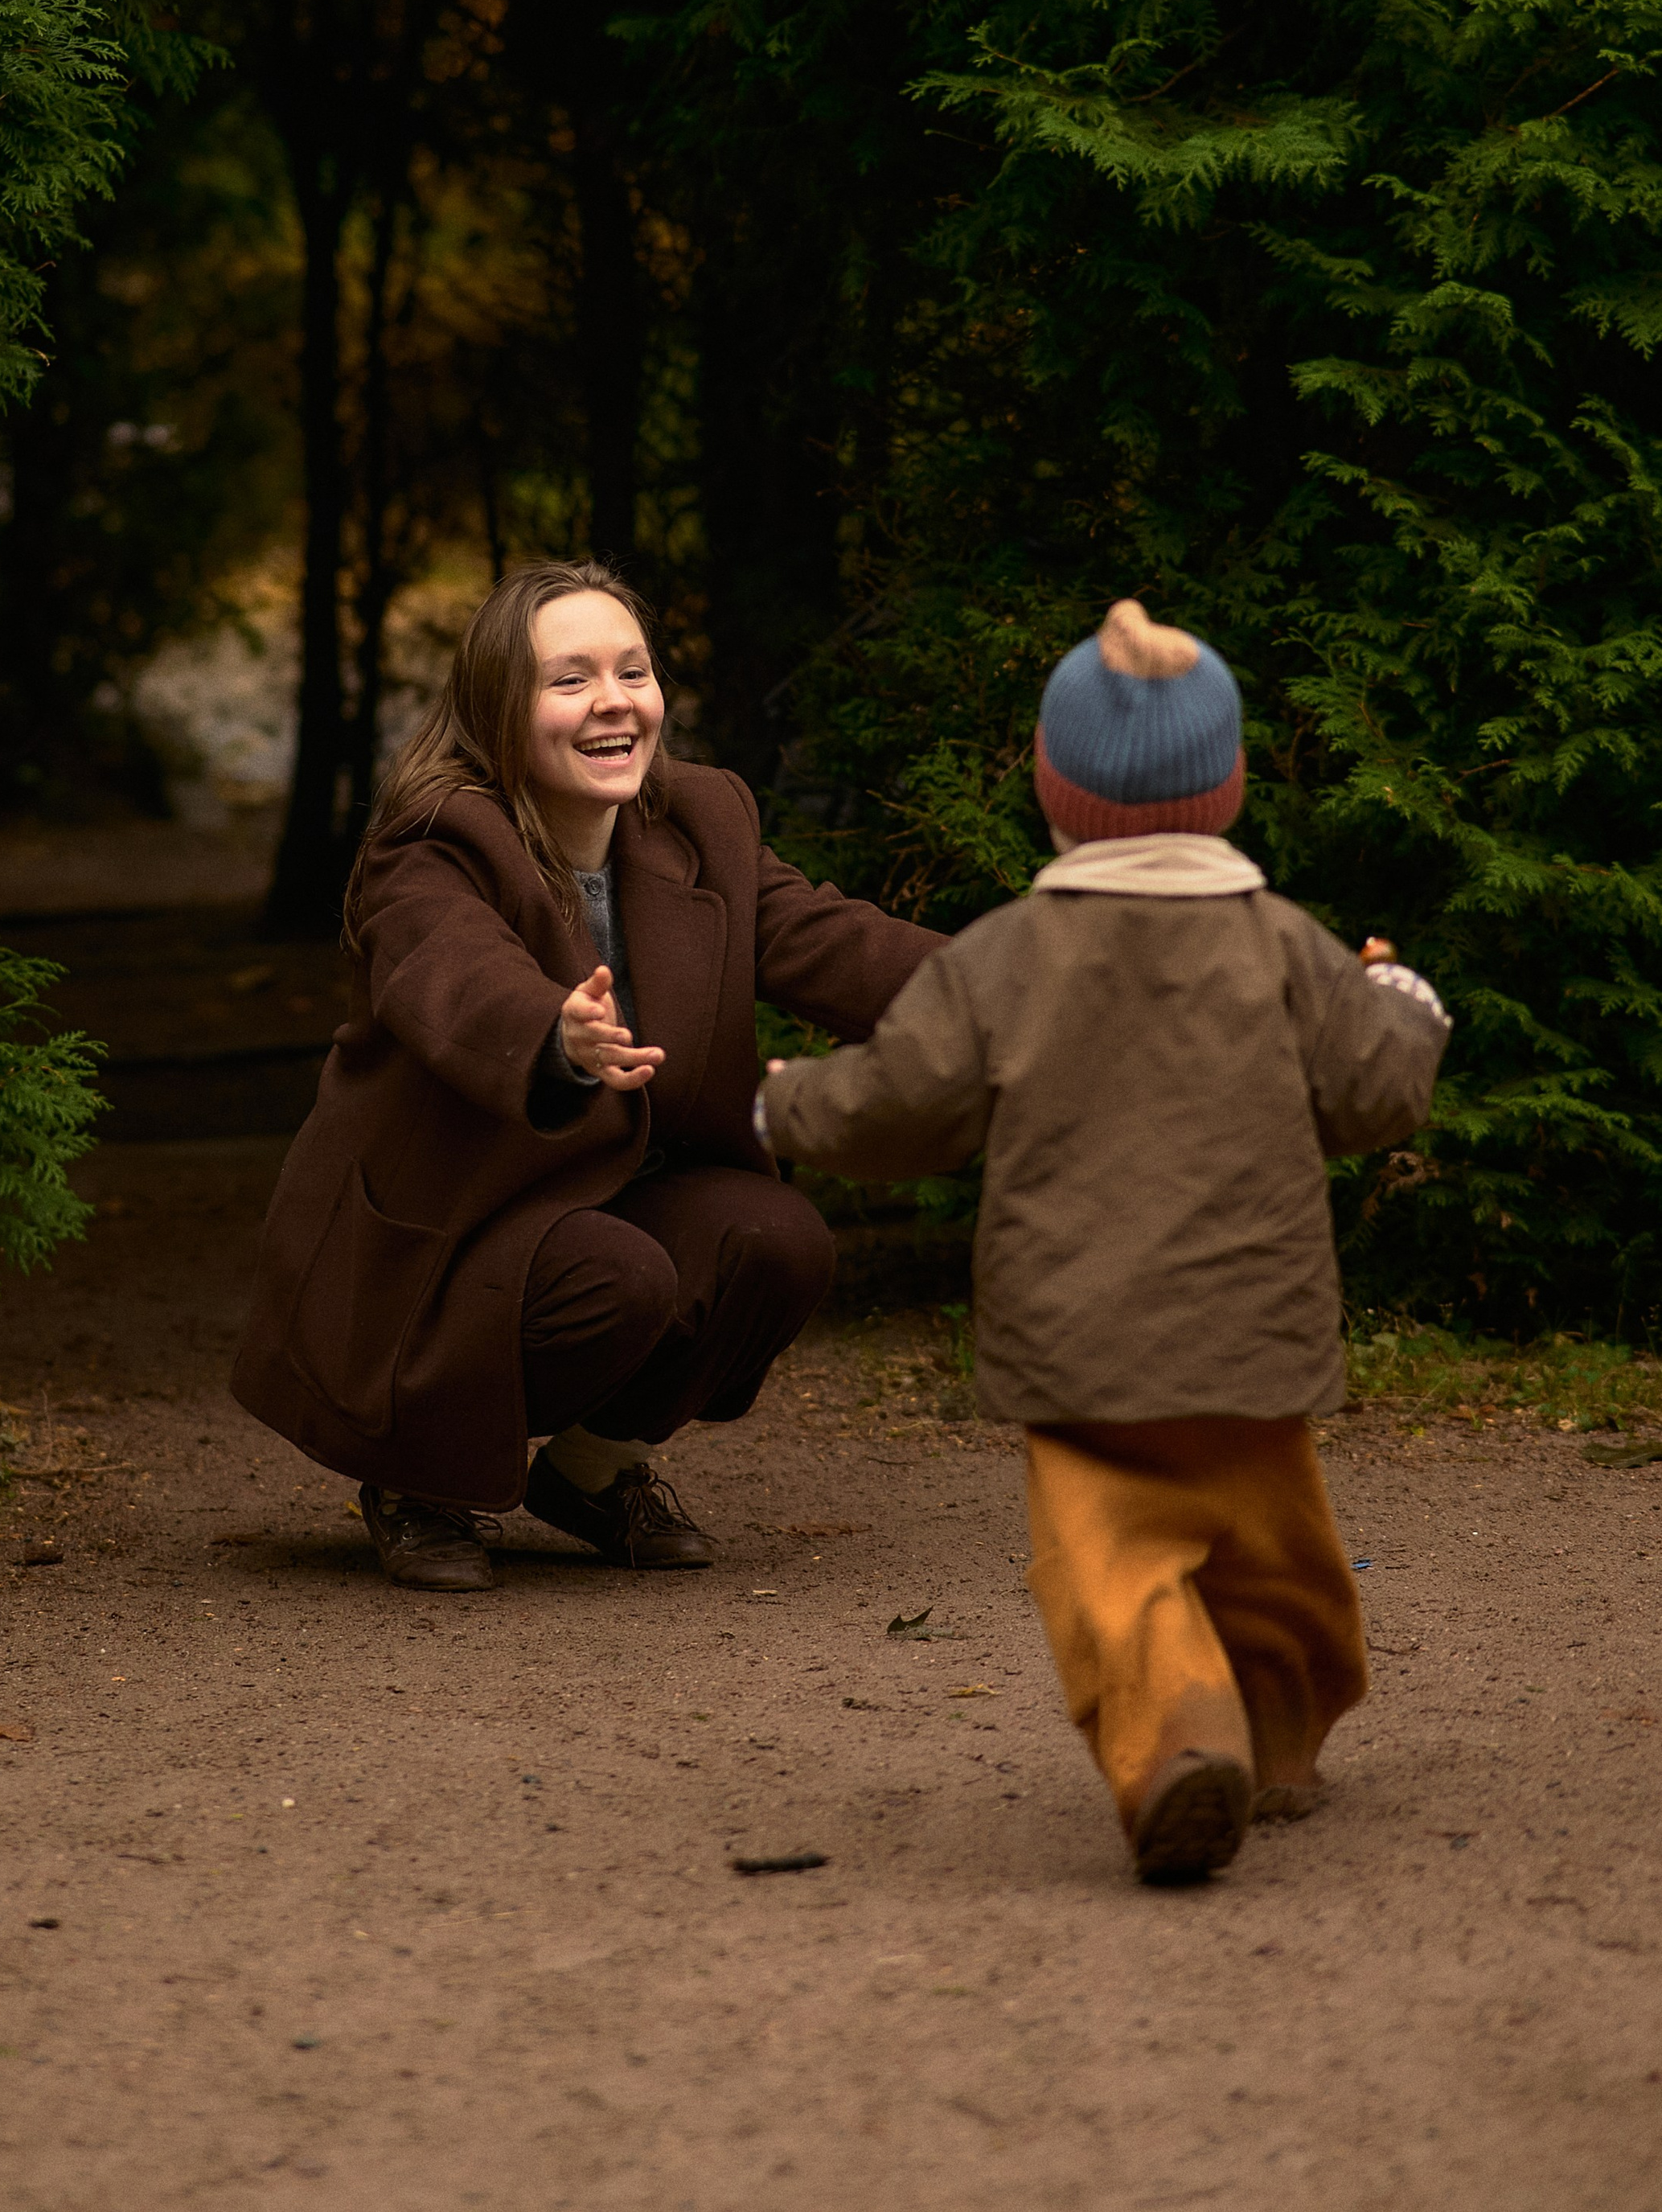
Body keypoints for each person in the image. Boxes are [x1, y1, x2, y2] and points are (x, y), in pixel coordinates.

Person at [757, 597, 1451, 1886]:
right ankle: (1277, 1730)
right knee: (1276, 1557)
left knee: (1117, 1567)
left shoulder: (1007, 958)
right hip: (1255, 1340)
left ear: (1052, 785)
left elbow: (901, 1102)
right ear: (1229, 783)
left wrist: (779, 1103)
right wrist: (1402, 998)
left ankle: (1180, 1732)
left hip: (1078, 1353)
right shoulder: (1286, 946)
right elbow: (1375, 1090)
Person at [231, 558, 942, 1593]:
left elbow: (833, 942)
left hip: (602, 1198)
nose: (614, 700)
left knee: (775, 1238)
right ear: (497, 708)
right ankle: (417, 1477)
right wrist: (552, 1034)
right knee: (620, 1277)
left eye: (632, 671)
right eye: (570, 679)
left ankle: (593, 1472)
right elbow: (451, 976)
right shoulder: (431, 839)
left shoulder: (701, 819)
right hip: (450, 1226)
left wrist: (1008, 990)